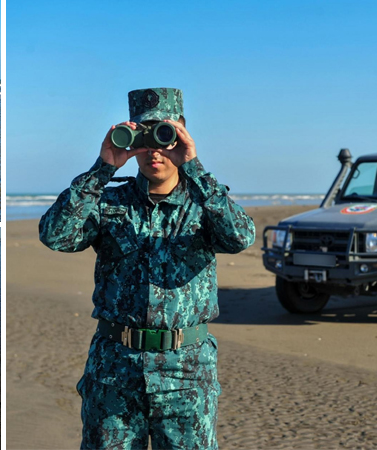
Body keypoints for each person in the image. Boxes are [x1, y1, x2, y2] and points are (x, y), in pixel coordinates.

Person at [38, 88, 255, 449]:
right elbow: (54, 235)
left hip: (186, 371)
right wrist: (103, 167)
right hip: (114, 369)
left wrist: (194, 167)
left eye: (165, 135)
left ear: (182, 137)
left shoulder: (204, 204)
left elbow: (240, 237)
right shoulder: (109, 203)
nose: (155, 149)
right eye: (144, 136)